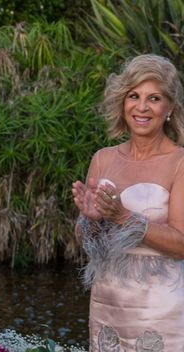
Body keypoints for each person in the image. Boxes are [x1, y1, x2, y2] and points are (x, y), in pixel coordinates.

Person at [72, 54, 184, 351]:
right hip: (108, 299)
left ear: (170, 107)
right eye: (134, 95)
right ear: (123, 102)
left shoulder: (180, 162)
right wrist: (91, 220)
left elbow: (181, 244)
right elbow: (85, 241)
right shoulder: (103, 158)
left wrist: (123, 217)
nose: (142, 107)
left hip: (161, 303)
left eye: (154, 98)